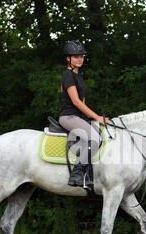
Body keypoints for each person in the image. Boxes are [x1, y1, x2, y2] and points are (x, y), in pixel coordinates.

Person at [58, 40, 109, 190]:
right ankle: (76, 174)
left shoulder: (79, 77)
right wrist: (97, 117)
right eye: (76, 57)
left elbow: (83, 104)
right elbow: (75, 102)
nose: (79, 59)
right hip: (68, 117)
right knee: (95, 138)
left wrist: (92, 118)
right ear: (68, 58)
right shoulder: (67, 75)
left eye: (81, 56)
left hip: (77, 117)